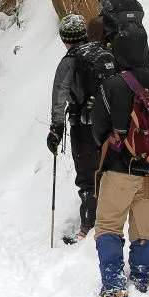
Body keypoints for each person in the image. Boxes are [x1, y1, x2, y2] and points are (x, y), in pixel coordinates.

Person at [90, 36, 149, 297]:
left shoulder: (113, 84)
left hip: (120, 170)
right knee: (144, 227)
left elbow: (98, 128)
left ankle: (113, 283)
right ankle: (140, 276)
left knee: (109, 225)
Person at [48, 14, 118, 240]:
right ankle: (111, 221)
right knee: (108, 172)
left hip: (83, 126)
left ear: (64, 39)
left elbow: (59, 97)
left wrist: (56, 129)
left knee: (88, 178)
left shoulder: (69, 61)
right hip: (110, 125)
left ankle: (87, 229)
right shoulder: (104, 54)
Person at [88, 0, 149, 69]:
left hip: (115, 77)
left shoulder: (97, 23)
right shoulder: (135, 20)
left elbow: (90, 56)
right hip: (142, 73)